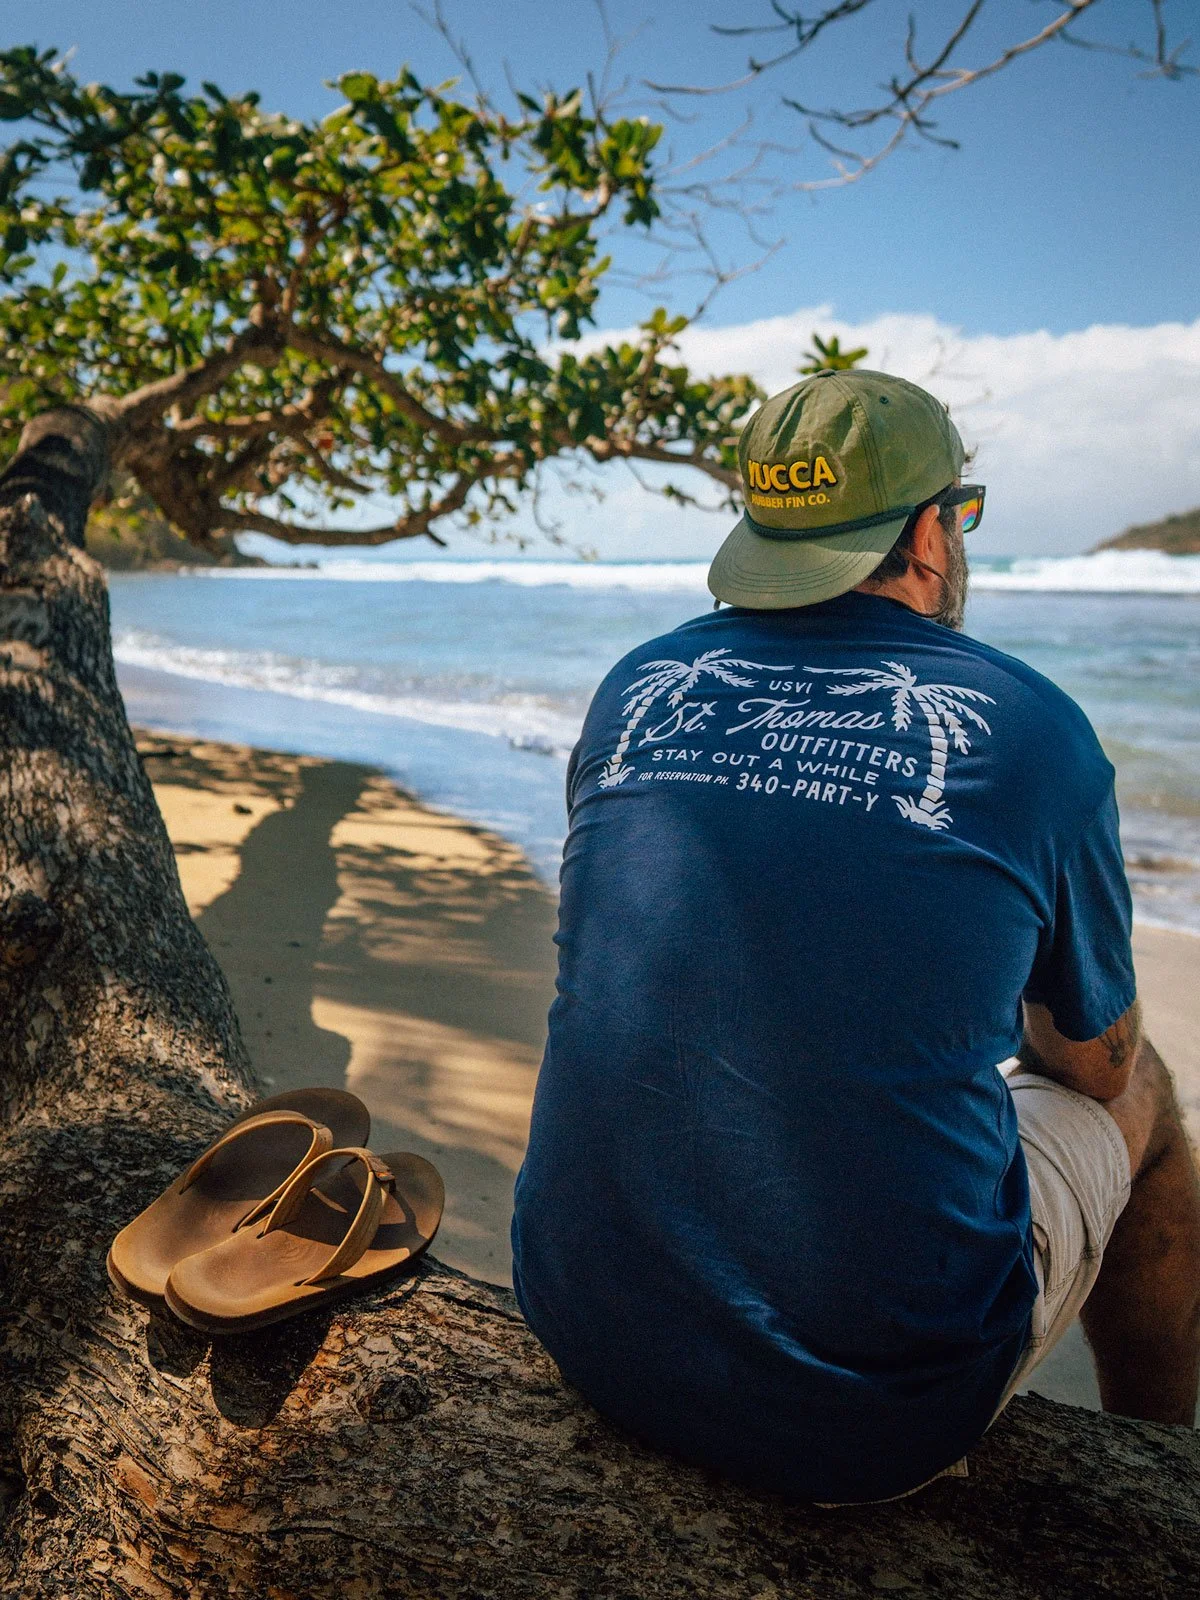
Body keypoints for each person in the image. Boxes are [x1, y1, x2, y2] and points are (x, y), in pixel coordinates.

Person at [510, 369, 1200, 1504]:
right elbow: (1091, 1062)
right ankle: (1170, 1468)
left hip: (585, 1325)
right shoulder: (1032, 731)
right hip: (867, 1415)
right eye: (960, 513)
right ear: (931, 532)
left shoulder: (639, 686)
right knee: (1146, 1095)